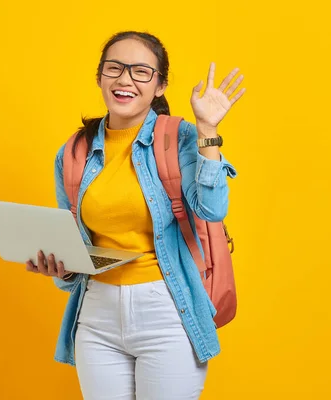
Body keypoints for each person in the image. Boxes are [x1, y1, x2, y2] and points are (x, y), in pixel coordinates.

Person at [26, 30, 245, 400]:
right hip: (96, 315)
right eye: (114, 68)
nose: (125, 79)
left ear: (159, 86)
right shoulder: (74, 152)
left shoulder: (180, 137)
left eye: (141, 71)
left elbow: (211, 209)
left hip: (167, 309)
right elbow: (78, 245)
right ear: (100, 78)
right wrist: (60, 266)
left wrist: (208, 129)